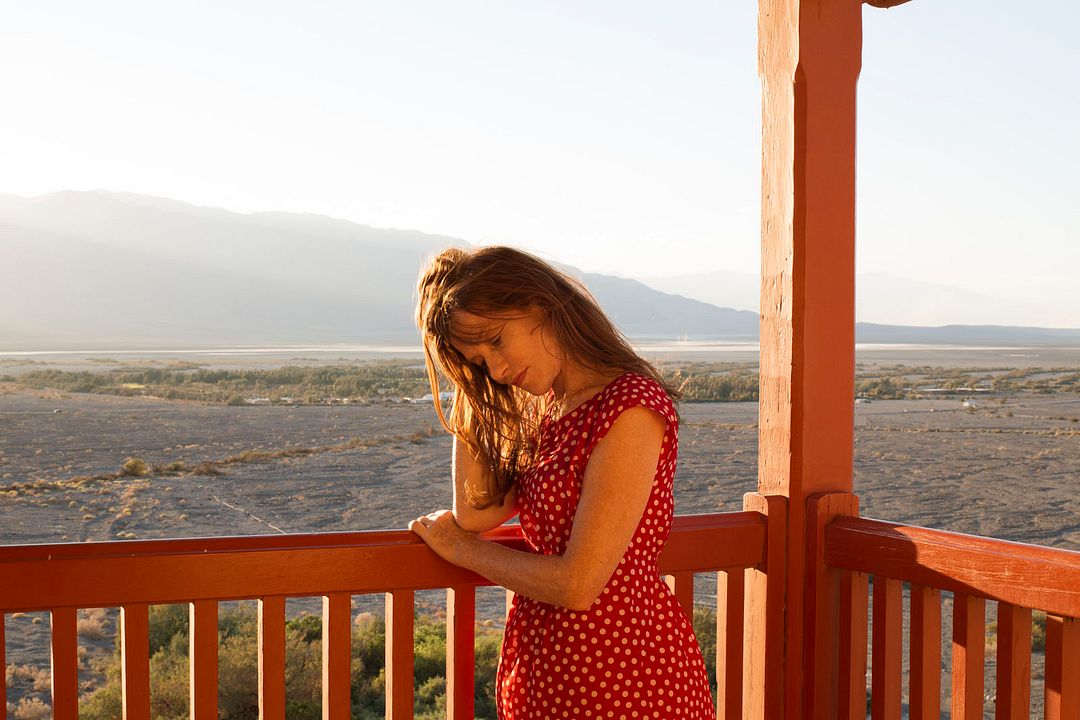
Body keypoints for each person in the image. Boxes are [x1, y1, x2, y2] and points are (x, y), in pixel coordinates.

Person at [408, 245, 716, 719]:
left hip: (626, 680)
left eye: (495, 341)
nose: (497, 368)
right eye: (479, 360)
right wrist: (472, 386)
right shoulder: (552, 408)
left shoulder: (630, 406)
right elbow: (474, 511)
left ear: (538, 304)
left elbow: (578, 584)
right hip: (550, 677)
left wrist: (463, 551)